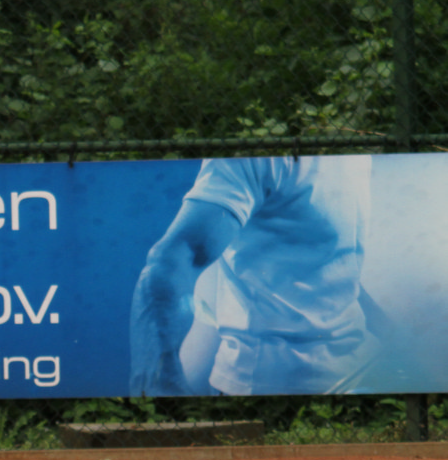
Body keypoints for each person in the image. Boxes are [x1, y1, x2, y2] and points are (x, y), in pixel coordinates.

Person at [129, 155, 381, 396]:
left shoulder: (357, 155)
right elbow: (172, 260)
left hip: (356, 371)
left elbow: (332, 260)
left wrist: (391, 335)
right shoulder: (253, 157)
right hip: (272, 386)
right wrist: (156, 381)